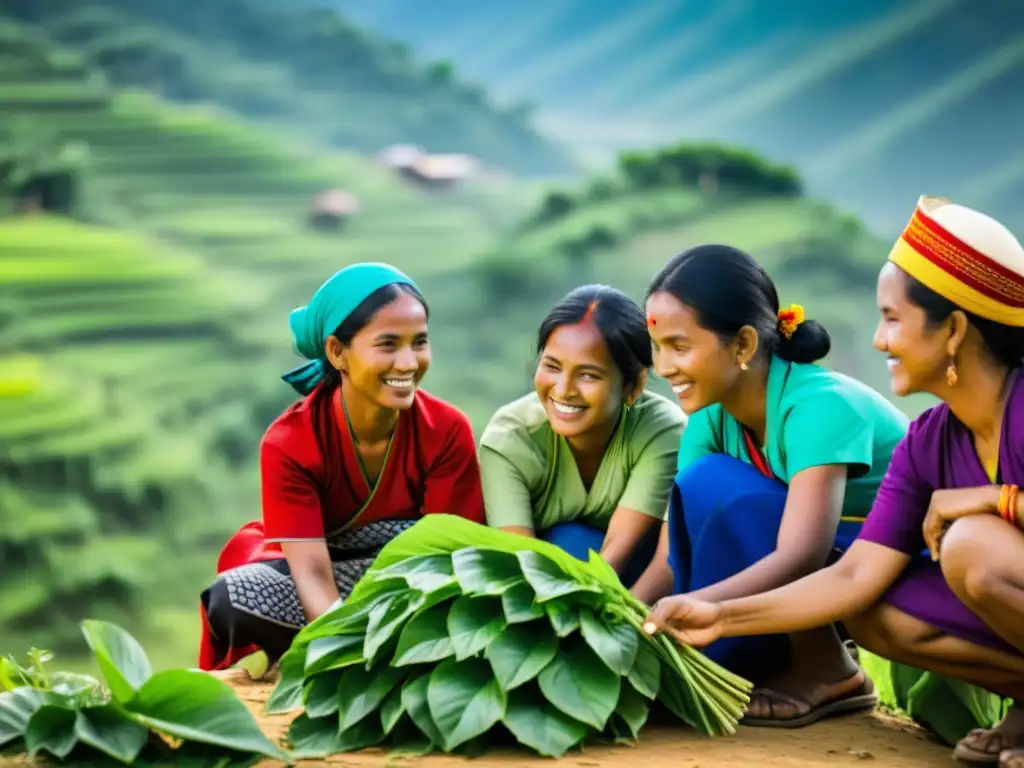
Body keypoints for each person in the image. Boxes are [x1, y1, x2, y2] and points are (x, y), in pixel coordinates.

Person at [642, 197, 1024, 766]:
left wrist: (995, 499)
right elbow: (852, 574)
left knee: (973, 545)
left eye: (892, 318)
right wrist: (716, 614)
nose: (878, 339)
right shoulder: (927, 442)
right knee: (872, 610)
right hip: (965, 592)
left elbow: (807, 552)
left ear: (953, 330)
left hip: (979, 565)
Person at [631, 243, 909, 727]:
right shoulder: (710, 415)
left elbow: (802, 553)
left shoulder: (820, 406)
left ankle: (829, 669)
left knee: (719, 483)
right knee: (703, 486)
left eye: (679, 346)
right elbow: (670, 552)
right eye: (657, 348)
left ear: (742, 345)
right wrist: (629, 613)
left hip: (881, 567)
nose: (663, 368)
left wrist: (705, 605)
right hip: (806, 568)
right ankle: (773, 659)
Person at [198, 263, 485, 672]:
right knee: (234, 597)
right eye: (388, 345)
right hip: (323, 578)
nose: (408, 363)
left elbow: (448, 554)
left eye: (418, 342)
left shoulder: (446, 429)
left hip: (411, 581)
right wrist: (346, 648)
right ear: (337, 352)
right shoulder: (290, 441)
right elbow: (312, 574)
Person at [478, 285, 684, 586]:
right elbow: (520, 564)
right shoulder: (510, 438)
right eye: (552, 366)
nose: (563, 390)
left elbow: (618, 552)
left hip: (635, 580)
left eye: (588, 375)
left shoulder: (661, 430)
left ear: (634, 387)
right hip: (544, 583)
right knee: (567, 541)